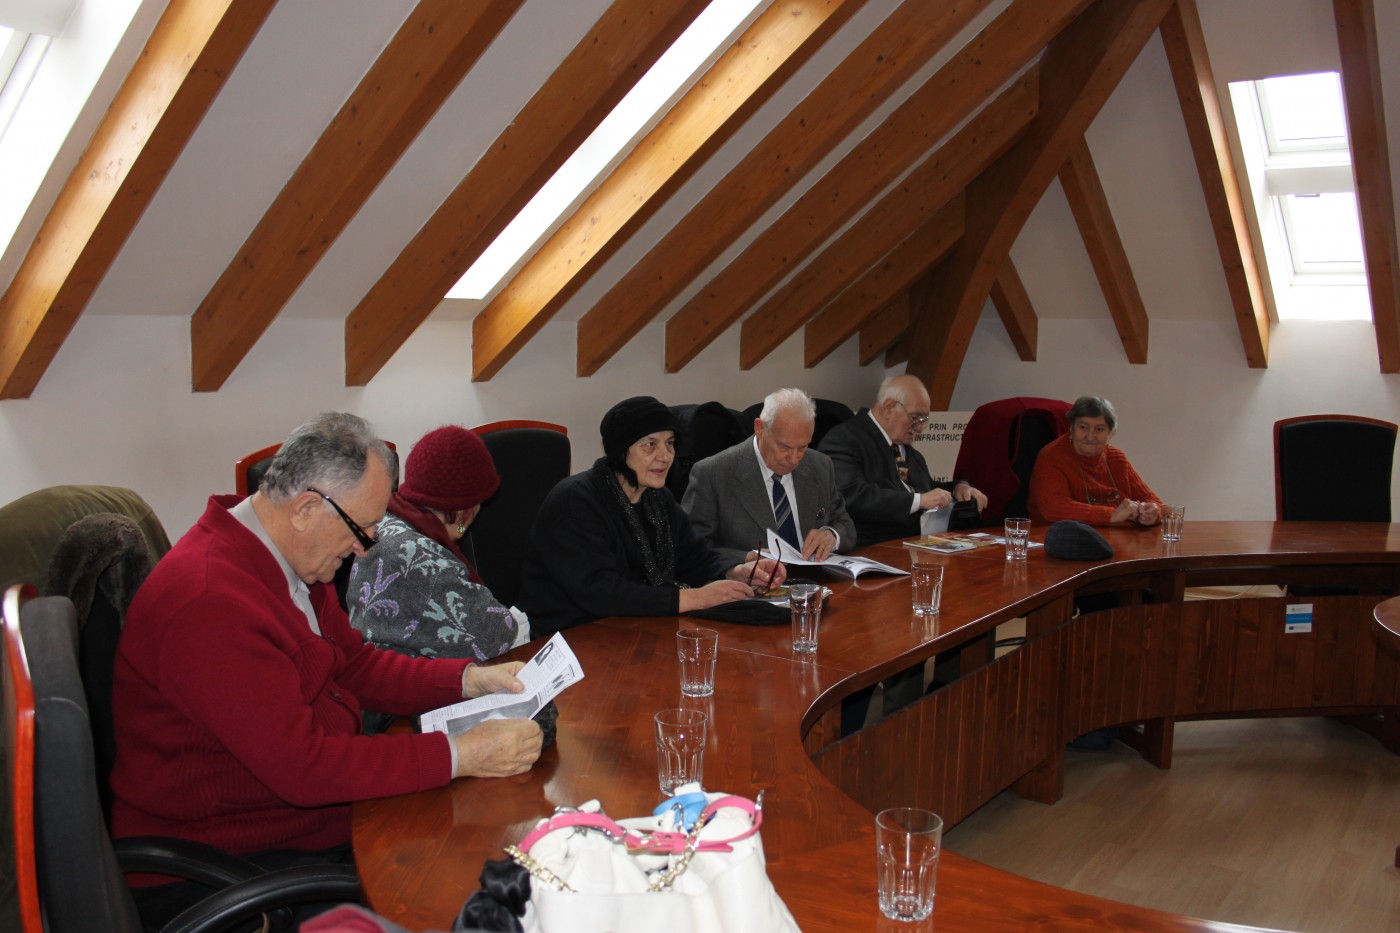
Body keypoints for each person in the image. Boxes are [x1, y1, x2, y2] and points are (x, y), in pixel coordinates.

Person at [110, 412, 543, 922]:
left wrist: (466, 680)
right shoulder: (210, 604)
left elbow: (354, 666)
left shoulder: (286, 561)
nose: (365, 546)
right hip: (226, 865)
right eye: (362, 528)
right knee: (461, 891)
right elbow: (305, 768)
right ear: (306, 509)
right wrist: (461, 754)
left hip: (302, 825)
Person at [518, 396, 785, 638]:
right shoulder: (575, 502)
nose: (665, 456)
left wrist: (735, 571)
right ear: (621, 450)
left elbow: (694, 558)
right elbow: (601, 592)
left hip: (639, 627)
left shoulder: (658, 497)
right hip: (575, 637)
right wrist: (697, 598)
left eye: (669, 443)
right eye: (650, 445)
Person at [347, 424, 528, 661]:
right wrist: (461, 527)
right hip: (409, 680)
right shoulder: (425, 561)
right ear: (463, 511)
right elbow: (499, 634)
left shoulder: (382, 523)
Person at [682, 387, 856, 565]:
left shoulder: (820, 465)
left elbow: (844, 523)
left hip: (815, 576)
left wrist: (831, 535)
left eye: (802, 447)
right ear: (760, 429)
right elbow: (692, 550)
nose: (794, 459)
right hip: (751, 580)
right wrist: (745, 558)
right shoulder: (712, 474)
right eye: (784, 447)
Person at [818, 374, 988, 547]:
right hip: (872, 548)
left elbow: (926, 489)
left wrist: (958, 488)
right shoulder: (844, 439)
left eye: (924, 420)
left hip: (916, 546)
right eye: (915, 418)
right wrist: (919, 501)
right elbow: (850, 495)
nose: (920, 429)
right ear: (889, 407)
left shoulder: (908, 451)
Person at [1027, 395, 1162, 527]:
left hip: (1114, 536)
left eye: (1099, 429)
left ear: (1109, 433)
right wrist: (1111, 515)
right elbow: (1054, 508)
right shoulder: (1052, 457)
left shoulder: (1116, 458)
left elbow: (1152, 500)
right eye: (1083, 427)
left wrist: (1153, 512)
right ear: (1071, 428)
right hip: (1058, 536)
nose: (1090, 436)